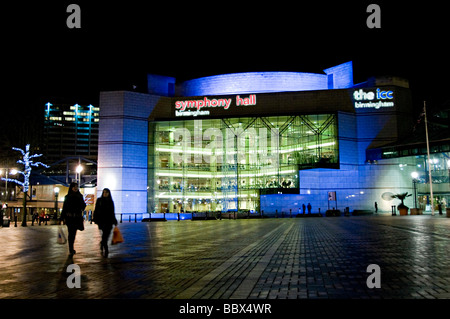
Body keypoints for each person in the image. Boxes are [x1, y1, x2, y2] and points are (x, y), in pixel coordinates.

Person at [60, 182, 86, 256]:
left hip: (76, 217)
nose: (75, 188)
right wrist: (63, 217)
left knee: (73, 233)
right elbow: (64, 208)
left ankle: (71, 248)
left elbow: (83, 206)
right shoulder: (67, 197)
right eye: (74, 187)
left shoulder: (80, 196)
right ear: (71, 188)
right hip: (70, 218)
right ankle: (71, 248)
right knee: (71, 233)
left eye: (76, 187)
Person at [93, 188, 117, 258]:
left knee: (106, 234)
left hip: (109, 221)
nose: (105, 194)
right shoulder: (99, 200)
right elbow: (96, 210)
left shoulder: (110, 201)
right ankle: (105, 248)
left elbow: (112, 212)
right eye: (104, 192)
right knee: (105, 234)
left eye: (106, 192)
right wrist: (95, 218)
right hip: (102, 220)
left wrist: (114, 220)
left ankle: (103, 243)